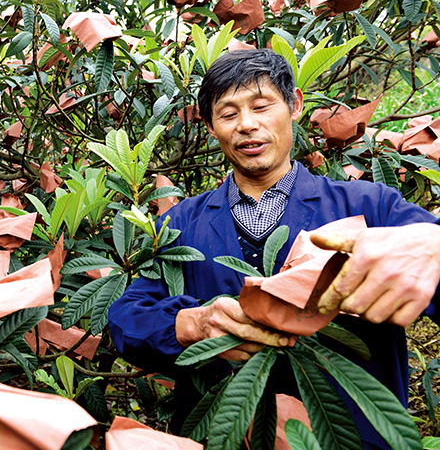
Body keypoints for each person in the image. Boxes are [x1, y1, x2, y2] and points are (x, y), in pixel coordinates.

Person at [108, 49, 440, 449]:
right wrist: (191, 324)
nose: (247, 124)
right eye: (228, 114)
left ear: (295, 105)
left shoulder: (370, 206)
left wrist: (432, 248)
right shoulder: (180, 223)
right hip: (225, 432)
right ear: (211, 127)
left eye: (262, 106)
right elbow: (126, 320)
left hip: (352, 434)